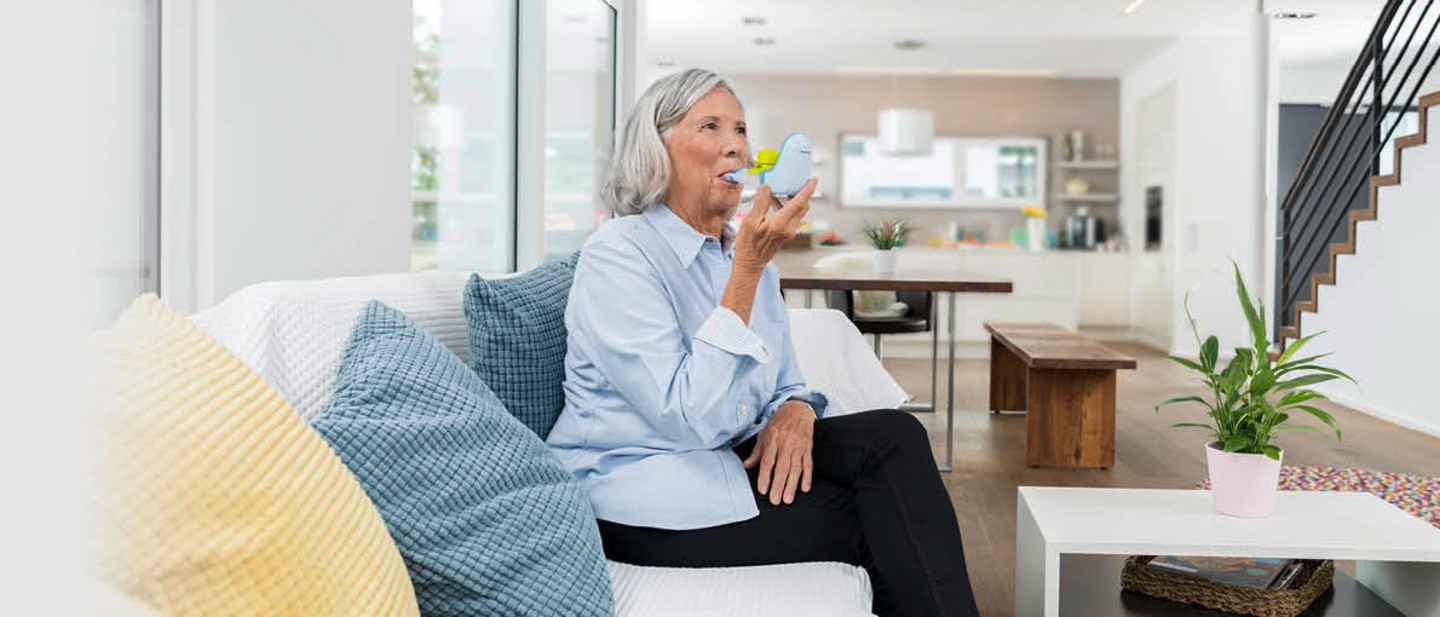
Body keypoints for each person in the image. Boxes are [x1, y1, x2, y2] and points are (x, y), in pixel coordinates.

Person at [545, 68, 979, 617]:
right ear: (655, 151)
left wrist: (796, 409)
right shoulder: (619, 255)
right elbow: (689, 418)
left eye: (741, 129)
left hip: (728, 455)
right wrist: (748, 269)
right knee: (886, 518)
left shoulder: (741, 253)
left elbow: (786, 382)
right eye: (710, 126)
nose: (737, 145)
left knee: (893, 436)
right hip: (644, 492)